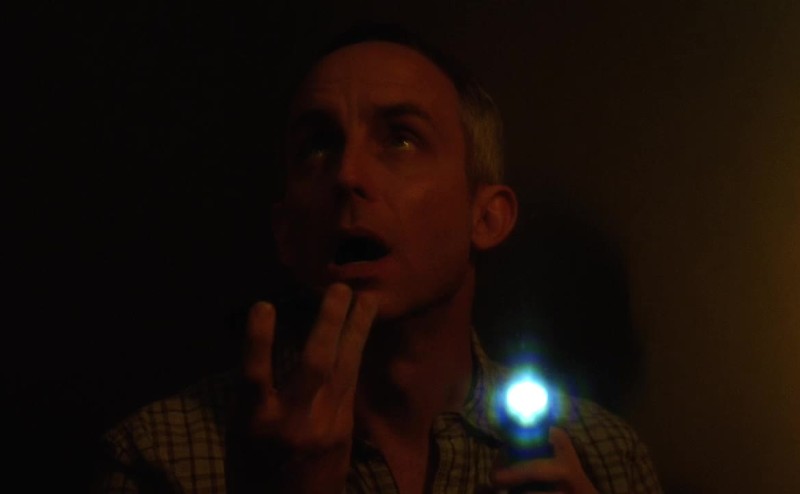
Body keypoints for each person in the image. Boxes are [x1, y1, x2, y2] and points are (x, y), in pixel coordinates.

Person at [93, 23, 663, 494]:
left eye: (401, 138)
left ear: (486, 217)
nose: (346, 175)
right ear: (286, 233)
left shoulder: (604, 458)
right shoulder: (159, 458)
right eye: (318, 145)